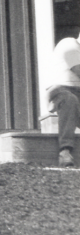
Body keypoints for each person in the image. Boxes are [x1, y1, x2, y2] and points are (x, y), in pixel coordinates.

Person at [47, 34, 80, 167]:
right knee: (69, 99)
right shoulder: (69, 44)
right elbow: (78, 69)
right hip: (60, 91)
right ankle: (65, 151)